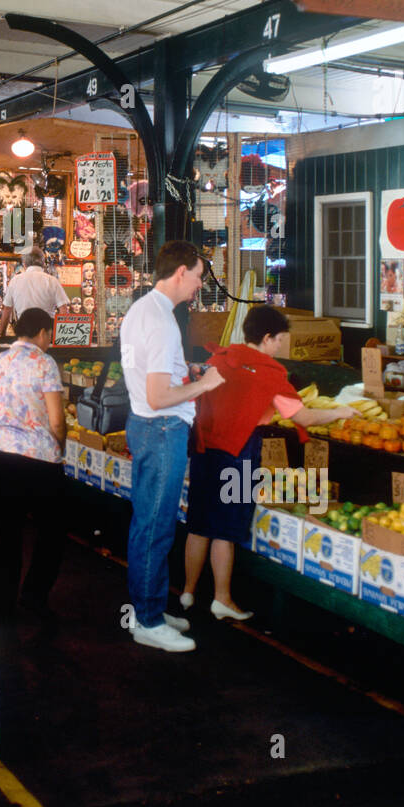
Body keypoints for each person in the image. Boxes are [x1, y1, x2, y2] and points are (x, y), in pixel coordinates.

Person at [181, 304, 355, 619]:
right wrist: (340, 412)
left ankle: (188, 593)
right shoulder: (270, 373)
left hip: (205, 451)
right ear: (266, 337)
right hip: (239, 454)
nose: (280, 347)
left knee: (199, 525)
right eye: (279, 340)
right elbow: (304, 416)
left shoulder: (217, 359)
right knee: (226, 528)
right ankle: (222, 599)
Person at [119, 241, 224, 653]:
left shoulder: (143, 310)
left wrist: (187, 370)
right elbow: (160, 395)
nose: (200, 284)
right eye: (198, 274)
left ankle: (151, 608)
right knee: (155, 526)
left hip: (145, 425)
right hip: (161, 427)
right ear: (181, 271)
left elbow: (150, 373)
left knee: (150, 522)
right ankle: (146, 620)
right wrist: (204, 384)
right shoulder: (162, 321)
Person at [0, 308, 67, 629]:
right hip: (40, 462)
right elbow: (57, 420)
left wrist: (1, 434)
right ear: (41, 332)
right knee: (52, 532)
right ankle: (35, 594)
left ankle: (1, 606)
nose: (50, 341)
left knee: (6, 534)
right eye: (49, 334)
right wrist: (60, 444)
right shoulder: (45, 364)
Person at [0, 247, 69, 336]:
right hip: (47, 332)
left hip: (25, 331)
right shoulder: (52, 281)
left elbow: (7, 310)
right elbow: (63, 309)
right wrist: (62, 336)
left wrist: (2, 333)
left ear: (24, 264)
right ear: (43, 263)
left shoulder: (15, 281)